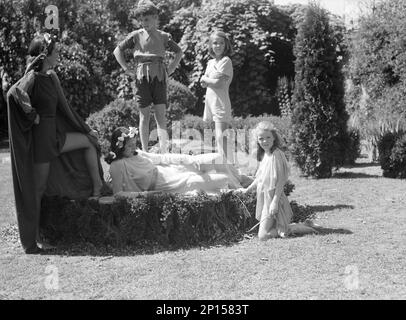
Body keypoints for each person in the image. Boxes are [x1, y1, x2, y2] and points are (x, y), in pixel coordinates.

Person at [7, 33, 105, 254]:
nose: (60, 55)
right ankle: (32, 242)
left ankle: (98, 190)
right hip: (42, 141)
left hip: (56, 137)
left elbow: (66, 108)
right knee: (38, 189)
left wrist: (87, 129)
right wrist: (32, 115)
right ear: (45, 55)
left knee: (89, 142)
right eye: (57, 52)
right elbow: (14, 93)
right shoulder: (33, 77)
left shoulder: (52, 78)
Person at [113, 0, 183, 153]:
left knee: (160, 116)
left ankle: (164, 151)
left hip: (159, 77)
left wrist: (170, 68)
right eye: (141, 20)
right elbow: (117, 51)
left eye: (147, 19)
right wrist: (126, 68)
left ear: (155, 18)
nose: (144, 23)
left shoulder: (164, 36)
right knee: (144, 116)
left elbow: (179, 52)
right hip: (141, 77)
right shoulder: (136, 36)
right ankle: (145, 150)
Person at [238, 121, 317, 240]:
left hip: (274, 197)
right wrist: (247, 190)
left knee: (263, 236)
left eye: (268, 137)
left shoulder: (277, 155)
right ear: (258, 141)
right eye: (261, 138)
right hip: (265, 197)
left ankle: (294, 227)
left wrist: (274, 202)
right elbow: (260, 178)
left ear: (274, 138)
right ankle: (287, 228)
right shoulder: (266, 155)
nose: (265, 141)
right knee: (271, 231)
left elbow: (281, 181)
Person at [105, 127, 232, 195]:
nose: (134, 148)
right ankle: (241, 188)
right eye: (130, 146)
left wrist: (188, 159)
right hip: (166, 184)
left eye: (134, 144)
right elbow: (118, 194)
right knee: (222, 179)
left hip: (169, 170)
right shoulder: (118, 165)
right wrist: (144, 195)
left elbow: (161, 158)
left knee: (217, 158)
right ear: (119, 147)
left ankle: (242, 184)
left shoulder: (137, 153)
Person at [200, 30, 234, 162]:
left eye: (221, 43)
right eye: (215, 43)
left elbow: (218, 83)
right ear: (211, 45)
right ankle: (221, 163)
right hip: (210, 102)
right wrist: (208, 81)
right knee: (214, 135)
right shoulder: (210, 63)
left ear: (226, 45)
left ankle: (228, 165)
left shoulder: (226, 61)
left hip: (220, 102)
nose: (218, 46)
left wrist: (207, 80)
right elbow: (204, 83)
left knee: (221, 135)